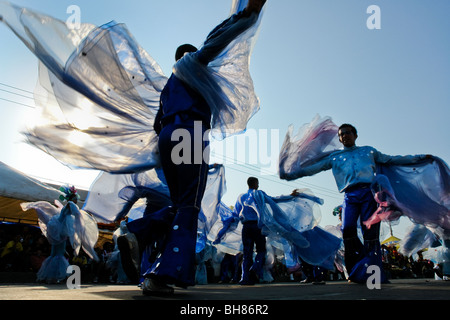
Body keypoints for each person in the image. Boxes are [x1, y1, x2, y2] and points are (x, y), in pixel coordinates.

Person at [118, 0, 267, 295]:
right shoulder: (193, 64)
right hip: (189, 133)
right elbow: (218, 40)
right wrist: (246, 18)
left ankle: (139, 233)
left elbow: (158, 124)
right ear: (187, 56)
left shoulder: (168, 87)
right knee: (189, 207)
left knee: (181, 204)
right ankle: (162, 273)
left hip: (169, 137)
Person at [282, 123, 431, 283]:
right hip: (349, 196)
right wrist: (292, 174)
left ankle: (374, 275)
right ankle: (356, 271)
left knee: (371, 234)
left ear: (355, 135)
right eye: (341, 134)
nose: (344, 136)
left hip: (369, 194)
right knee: (347, 230)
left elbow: (392, 160)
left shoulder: (368, 151)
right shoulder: (335, 157)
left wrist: (419, 158)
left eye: (347, 133)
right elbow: (313, 169)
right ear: (339, 138)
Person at [234, 177, 267, 285]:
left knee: (247, 252)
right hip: (257, 227)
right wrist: (290, 197)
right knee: (261, 250)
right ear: (255, 183)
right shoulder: (259, 194)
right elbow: (274, 200)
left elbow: (235, 214)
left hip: (246, 227)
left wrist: (224, 230)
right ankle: (255, 267)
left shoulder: (241, 197)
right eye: (258, 183)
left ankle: (245, 278)